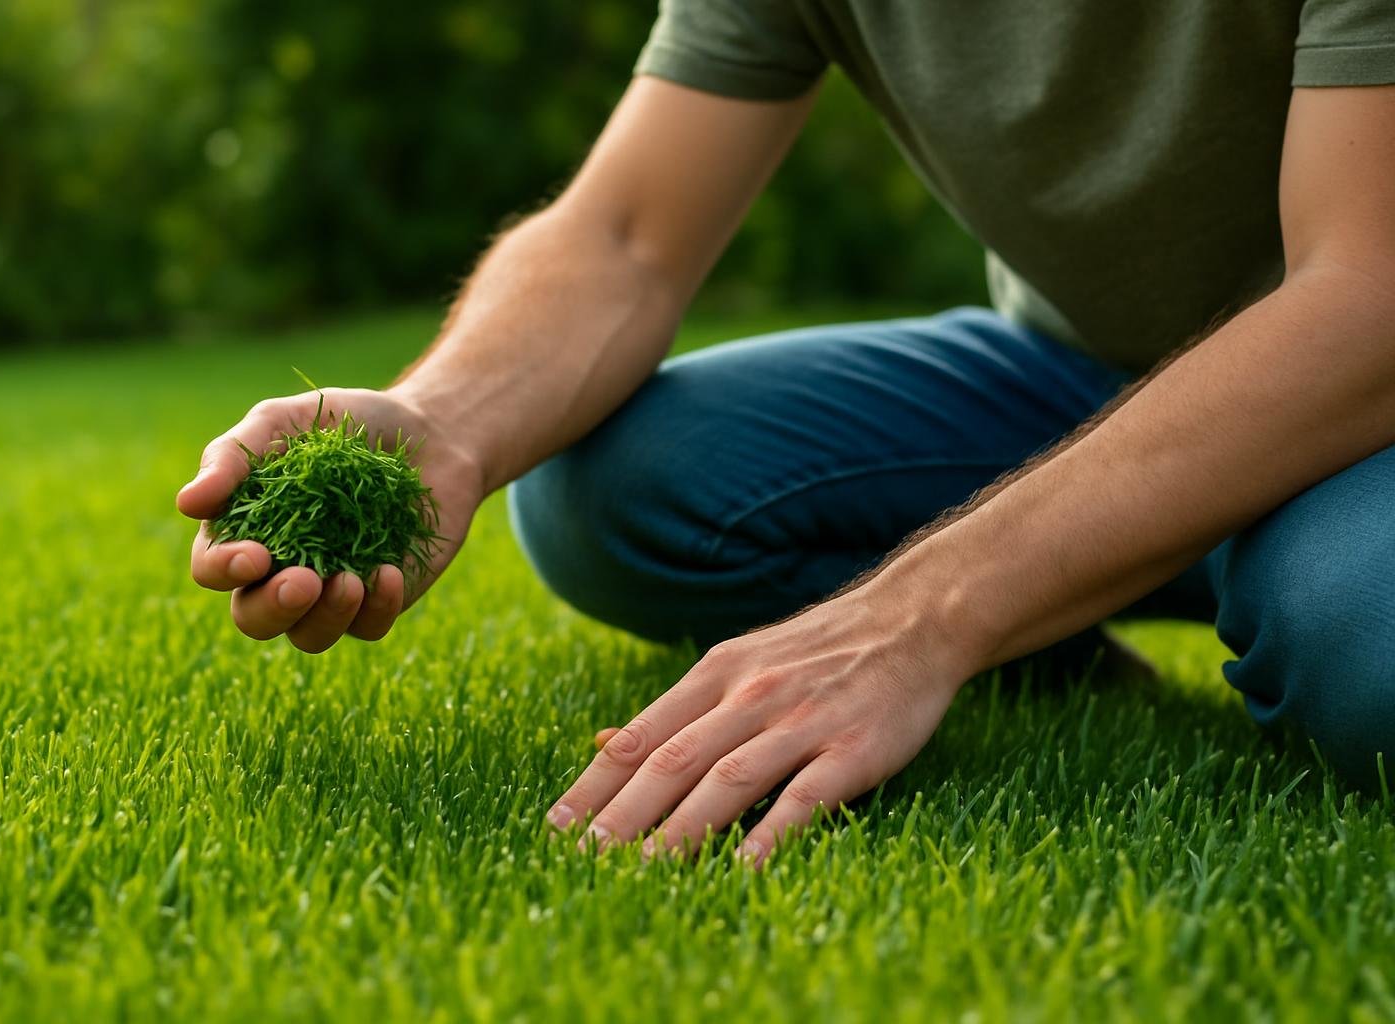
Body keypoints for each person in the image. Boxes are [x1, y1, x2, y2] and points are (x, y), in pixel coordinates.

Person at [177, 2, 1395, 865]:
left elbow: (1367, 296)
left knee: (1368, 644)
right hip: (1076, 371)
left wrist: (917, 615)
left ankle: (1244, 571)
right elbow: (627, 233)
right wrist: (447, 418)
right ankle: (1092, 599)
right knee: (616, 484)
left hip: (1363, 387)